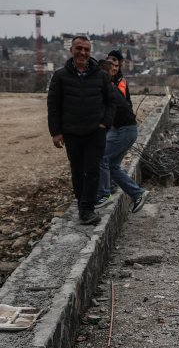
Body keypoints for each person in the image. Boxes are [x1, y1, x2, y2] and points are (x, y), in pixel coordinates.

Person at [47, 36, 116, 225]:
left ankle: (87, 210)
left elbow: (111, 102)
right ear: (71, 50)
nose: (83, 53)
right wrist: (56, 132)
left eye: (86, 49)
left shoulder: (101, 75)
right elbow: (53, 105)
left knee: (92, 171)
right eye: (79, 48)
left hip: (95, 132)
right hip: (71, 133)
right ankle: (82, 205)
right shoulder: (60, 76)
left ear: (90, 52)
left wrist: (105, 124)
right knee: (77, 171)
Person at [94, 58, 149, 212]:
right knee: (112, 165)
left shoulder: (107, 88)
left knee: (102, 157)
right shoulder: (110, 86)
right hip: (127, 130)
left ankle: (104, 194)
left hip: (124, 130)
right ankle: (137, 193)